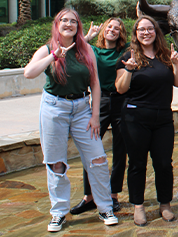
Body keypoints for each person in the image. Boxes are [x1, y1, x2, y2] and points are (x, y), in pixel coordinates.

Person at [23, 9, 118, 232]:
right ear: (57, 25)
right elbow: (29, 73)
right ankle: (58, 213)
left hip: (82, 108)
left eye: (73, 21)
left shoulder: (86, 51)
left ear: (78, 27)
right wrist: (54, 56)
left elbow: (94, 83)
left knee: (97, 159)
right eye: (64, 21)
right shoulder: (47, 49)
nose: (69, 24)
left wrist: (95, 116)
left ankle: (105, 207)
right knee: (56, 162)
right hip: (54, 108)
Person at [115, 16, 178, 226]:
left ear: (156, 32)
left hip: (163, 117)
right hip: (135, 117)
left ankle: (165, 204)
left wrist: (176, 64)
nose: (146, 33)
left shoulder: (165, 56)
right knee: (137, 164)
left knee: (164, 163)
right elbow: (120, 89)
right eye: (141, 29)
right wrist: (129, 69)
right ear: (136, 33)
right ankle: (138, 206)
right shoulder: (128, 56)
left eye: (150, 29)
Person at [70, 18, 129, 216]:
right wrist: (88, 36)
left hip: (122, 101)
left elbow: (143, 36)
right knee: (91, 148)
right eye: (109, 27)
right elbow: (71, 49)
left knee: (121, 151)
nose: (112, 30)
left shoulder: (124, 50)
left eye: (117, 28)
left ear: (121, 33)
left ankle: (113, 195)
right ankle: (90, 196)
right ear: (103, 30)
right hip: (100, 101)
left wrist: (140, 15)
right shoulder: (92, 50)